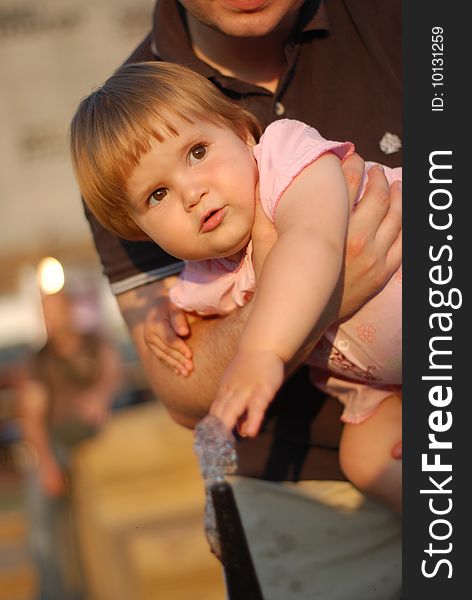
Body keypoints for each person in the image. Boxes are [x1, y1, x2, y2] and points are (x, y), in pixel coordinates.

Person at [79, 1, 402, 597]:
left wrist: (263, 353)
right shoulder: (200, 261)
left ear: (241, 129)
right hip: (348, 428)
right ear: (137, 230)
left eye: (198, 154)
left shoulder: (283, 157)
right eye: (156, 196)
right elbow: (185, 376)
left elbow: (313, 240)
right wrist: (166, 324)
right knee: (367, 454)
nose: (192, 192)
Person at [19, 289, 123, 600]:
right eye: (44, 312)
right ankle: (54, 593)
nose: (49, 318)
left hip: (96, 441)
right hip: (57, 444)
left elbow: (114, 374)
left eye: (53, 310)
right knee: (43, 526)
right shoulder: (41, 359)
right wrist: (46, 464)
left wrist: (101, 398)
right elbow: (32, 418)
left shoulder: (94, 342)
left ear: (69, 310)